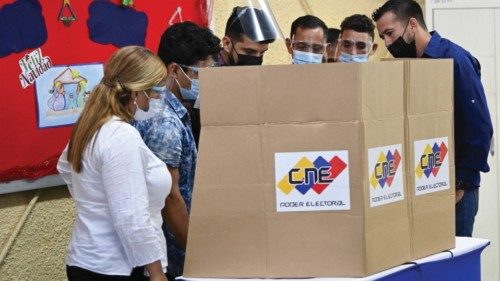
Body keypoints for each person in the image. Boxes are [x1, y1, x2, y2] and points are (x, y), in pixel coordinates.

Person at [57, 46, 189, 281]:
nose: (159, 99)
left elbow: (65, 168)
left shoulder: (90, 126)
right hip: (119, 266)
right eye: (156, 91)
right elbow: (132, 218)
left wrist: (94, 203)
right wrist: (157, 274)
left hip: (85, 259)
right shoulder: (121, 136)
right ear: (136, 93)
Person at [373, 0, 493, 237]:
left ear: (412, 25)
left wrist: (461, 186)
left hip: (455, 192)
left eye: (389, 33)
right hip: (424, 184)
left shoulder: (454, 59)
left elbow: (479, 127)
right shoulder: (410, 66)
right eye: (382, 37)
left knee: (452, 267)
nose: (387, 44)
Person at [134, 21, 218, 281]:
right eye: (201, 72)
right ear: (174, 70)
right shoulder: (165, 125)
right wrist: (199, 254)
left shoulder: (169, 111)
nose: (207, 80)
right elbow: (169, 200)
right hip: (172, 258)